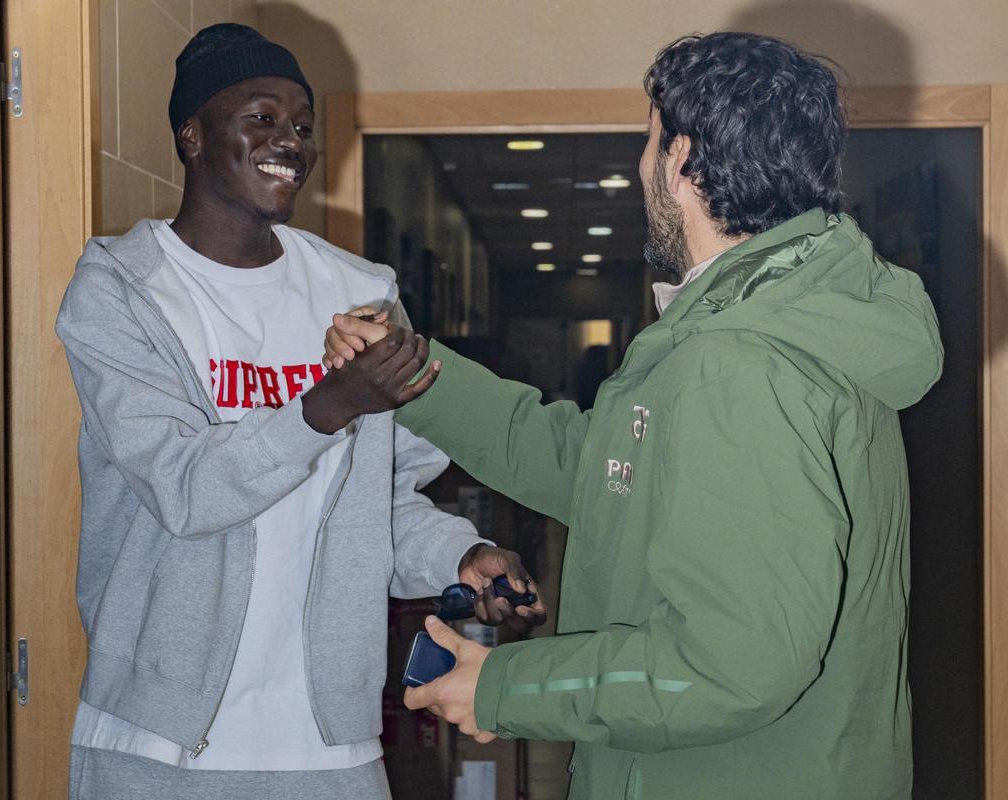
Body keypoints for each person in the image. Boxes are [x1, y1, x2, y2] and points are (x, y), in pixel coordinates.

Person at [324, 32, 942, 799]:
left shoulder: (739, 362)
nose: (640, 166)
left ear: (681, 162)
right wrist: (414, 370)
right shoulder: (776, 321)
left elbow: (729, 665)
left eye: (648, 143)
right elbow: (591, 468)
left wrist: (506, 687)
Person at [56, 23, 545, 800]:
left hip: (328, 746)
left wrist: (459, 553)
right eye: (261, 117)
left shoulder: (358, 292)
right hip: (158, 746)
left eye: (303, 126)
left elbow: (376, 501)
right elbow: (184, 490)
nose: (290, 140)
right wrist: (325, 406)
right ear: (191, 134)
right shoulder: (123, 293)